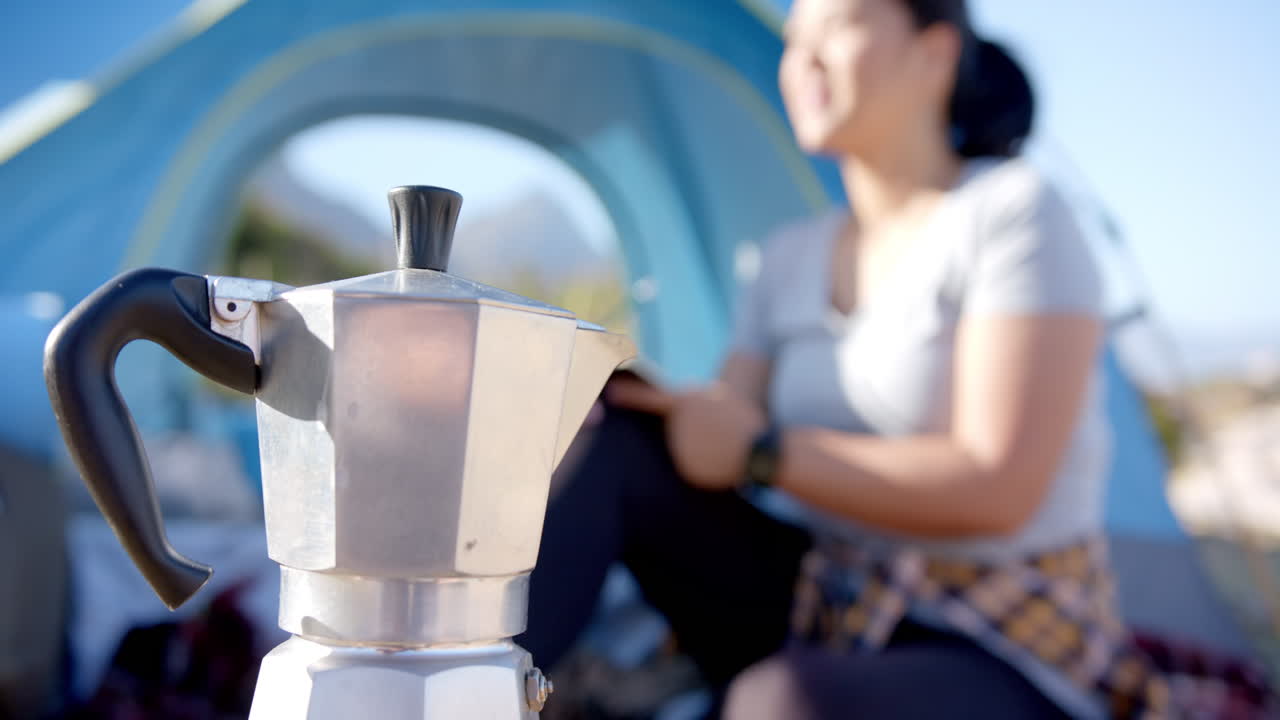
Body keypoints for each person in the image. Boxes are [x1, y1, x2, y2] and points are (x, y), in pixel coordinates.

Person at [521, 0, 1166, 717]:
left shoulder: (1013, 213)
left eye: (840, 27)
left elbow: (999, 484)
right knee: (627, 446)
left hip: (992, 624)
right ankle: (465, 688)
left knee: (782, 702)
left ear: (936, 54)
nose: (805, 62)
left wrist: (761, 454)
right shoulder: (789, 255)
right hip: (825, 593)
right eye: (796, 42)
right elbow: (720, 429)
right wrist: (664, 415)